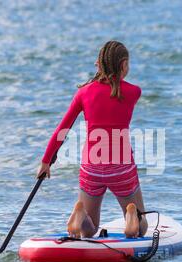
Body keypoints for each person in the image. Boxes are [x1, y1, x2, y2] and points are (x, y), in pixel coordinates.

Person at [37, 40, 148, 239]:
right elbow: (116, 90)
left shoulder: (83, 92)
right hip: (120, 166)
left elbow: (63, 128)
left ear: (99, 64)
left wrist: (46, 162)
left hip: (91, 166)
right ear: (123, 65)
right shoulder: (133, 92)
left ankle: (80, 215)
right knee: (142, 227)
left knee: (90, 228)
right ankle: (133, 216)